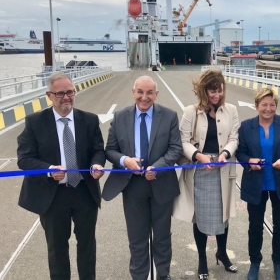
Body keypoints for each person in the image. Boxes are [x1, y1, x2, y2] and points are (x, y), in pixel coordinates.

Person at [17, 72, 105, 280]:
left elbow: (98, 150)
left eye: (70, 92)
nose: (66, 97)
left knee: (87, 245)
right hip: (53, 196)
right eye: (60, 94)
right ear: (49, 95)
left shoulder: (90, 120)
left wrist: (97, 163)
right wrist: (48, 170)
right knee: (57, 249)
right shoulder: (35, 122)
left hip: (84, 192)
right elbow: (24, 159)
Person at [102, 75, 183, 280]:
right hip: (132, 185)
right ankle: (139, 276)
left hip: (161, 183)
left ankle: (163, 275)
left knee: (162, 237)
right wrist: (125, 161)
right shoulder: (120, 117)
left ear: (156, 94)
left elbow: (175, 149)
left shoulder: (169, 116)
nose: (144, 97)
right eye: (140, 92)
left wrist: (157, 167)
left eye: (149, 93)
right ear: (133, 92)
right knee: (137, 238)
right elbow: (110, 150)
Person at [174, 69, 240, 280]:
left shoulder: (231, 110)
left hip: (222, 167)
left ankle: (222, 252)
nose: (216, 95)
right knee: (200, 217)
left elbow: (234, 137)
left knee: (223, 215)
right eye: (212, 91)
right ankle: (202, 259)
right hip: (200, 170)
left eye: (219, 91)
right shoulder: (190, 112)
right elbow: (183, 141)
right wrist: (198, 156)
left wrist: (225, 153)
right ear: (203, 91)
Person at [237, 88, 280, 280]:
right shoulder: (246, 126)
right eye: (264, 105)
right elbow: (240, 152)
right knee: (255, 226)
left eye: (272, 104)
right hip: (256, 183)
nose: (268, 108)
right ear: (256, 106)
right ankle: (255, 262)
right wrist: (249, 161)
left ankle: (278, 263)